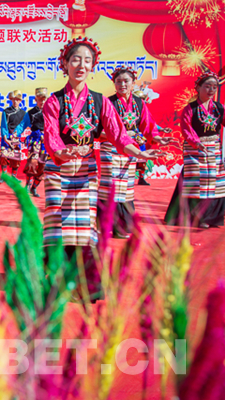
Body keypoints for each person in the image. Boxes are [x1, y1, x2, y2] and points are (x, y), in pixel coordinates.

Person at [42, 37, 161, 300]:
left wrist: (140, 153)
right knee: (59, 225)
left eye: (87, 60)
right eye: (75, 59)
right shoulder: (53, 101)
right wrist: (63, 151)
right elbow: (51, 137)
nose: (81, 65)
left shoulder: (100, 102)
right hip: (58, 170)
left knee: (84, 227)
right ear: (65, 64)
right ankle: (57, 280)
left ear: (93, 66)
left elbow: (120, 136)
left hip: (86, 170)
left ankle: (83, 283)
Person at [97, 65, 172, 238]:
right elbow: (99, 128)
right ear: (114, 84)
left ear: (133, 83)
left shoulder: (139, 103)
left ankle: (122, 225)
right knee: (111, 187)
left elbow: (148, 125)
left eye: (126, 81)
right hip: (110, 149)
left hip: (130, 150)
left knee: (126, 189)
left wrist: (159, 138)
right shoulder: (108, 103)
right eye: (118, 81)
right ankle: (106, 225)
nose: (122, 84)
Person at [165, 71, 224, 229]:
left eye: (214, 87)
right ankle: (195, 218)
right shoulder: (190, 108)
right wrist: (196, 143)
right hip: (195, 149)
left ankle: (211, 217)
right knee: (195, 182)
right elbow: (186, 128)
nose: (211, 90)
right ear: (198, 87)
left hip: (214, 149)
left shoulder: (219, 108)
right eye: (207, 86)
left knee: (214, 182)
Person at [0, 90, 30, 183]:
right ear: (11, 100)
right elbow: (3, 124)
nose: (15, 101)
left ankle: (13, 176)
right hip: (7, 136)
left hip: (16, 138)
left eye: (17, 100)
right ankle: (4, 176)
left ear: (20, 101)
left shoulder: (24, 113)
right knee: (3, 156)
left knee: (15, 157)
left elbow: (26, 125)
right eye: (14, 100)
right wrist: (5, 137)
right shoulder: (6, 112)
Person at [24, 87, 48, 197]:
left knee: (43, 166)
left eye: (44, 99)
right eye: (40, 99)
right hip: (35, 141)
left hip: (47, 142)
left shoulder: (51, 112)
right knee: (32, 162)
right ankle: (28, 185)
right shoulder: (31, 113)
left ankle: (34, 187)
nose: (42, 102)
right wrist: (16, 134)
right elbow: (22, 126)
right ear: (35, 100)